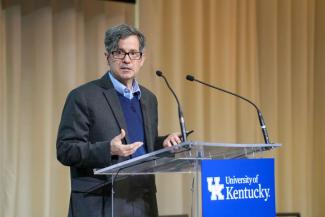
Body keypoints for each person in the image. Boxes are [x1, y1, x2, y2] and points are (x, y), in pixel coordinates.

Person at [56, 24, 182, 217]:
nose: (126, 60)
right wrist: (108, 149)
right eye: (119, 52)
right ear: (107, 57)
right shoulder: (83, 96)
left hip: (141, 202)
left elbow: (141, 146)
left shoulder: (149, 98)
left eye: (133, 53)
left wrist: (163, 143)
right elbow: (66, 150)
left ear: (142, 59)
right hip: (100, 203)